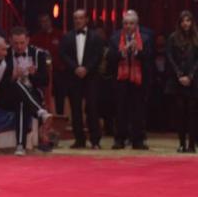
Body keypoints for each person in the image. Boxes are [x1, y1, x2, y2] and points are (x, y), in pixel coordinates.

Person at [0, 26, 53, 155]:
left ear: (27, 40)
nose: (19, 47)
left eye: (22, 43)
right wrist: (12, 77)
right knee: (18, 86)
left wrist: (33, 75)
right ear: (10, 41)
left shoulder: (38, 54)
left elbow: (45, 81)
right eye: (16, 43)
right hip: (8, 96)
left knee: (22, 102)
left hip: (32, 94)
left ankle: (20, 146)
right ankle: (40, 112)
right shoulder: (4, 55)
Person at [59, 9, 104, 149]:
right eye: (76, 18)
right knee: (75, 109)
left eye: (81, 18)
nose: (78, 21)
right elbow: (63, 54)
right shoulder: (67, 37)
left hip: (91, 77)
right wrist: (75, 68)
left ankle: (95, 140)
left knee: (92, 108)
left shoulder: (96, 37)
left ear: (86, 20)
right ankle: (79, 140)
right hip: (73, 77)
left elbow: (98, 55)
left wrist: (86, 69)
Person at [108, 10, 153, 150]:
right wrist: (122, 52)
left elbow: (149, 58)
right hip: (120, 80)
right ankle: (119, 139)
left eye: (131, 23)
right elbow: (110, 58)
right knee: (120, 110)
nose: (128, 26)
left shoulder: (145, 38)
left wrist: (136, 52)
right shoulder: (115, 37)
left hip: (139, 80)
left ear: (136, 25)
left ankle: (138, 140)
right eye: (126, 23)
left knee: (138, 110)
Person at [165, 11, 198, 152]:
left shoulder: (196, 37)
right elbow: (169, 57)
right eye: (183, 21)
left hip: (193, 81)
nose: (186, 23)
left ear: (192, 22)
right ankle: (181, 143)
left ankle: (192, 144)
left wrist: (190, 76)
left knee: (192, 112)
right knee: (180, 112)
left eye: (188, 20)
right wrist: (179, 75)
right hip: (177, 80)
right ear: (179, 23)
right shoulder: (173, 38)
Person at [31, 13, 64, 113]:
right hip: (42, 72)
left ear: (50, 21)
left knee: (60, 95)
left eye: (46, 20)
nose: (45, 23)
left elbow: (65, 52)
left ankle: (59, 116)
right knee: (42, 94)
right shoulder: (36, 37)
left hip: (58, 71)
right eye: (42, 21)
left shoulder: (60, 35)